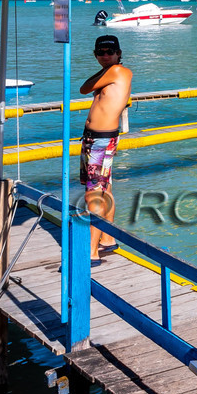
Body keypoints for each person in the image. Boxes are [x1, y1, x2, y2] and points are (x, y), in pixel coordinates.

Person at [78, 34, 132, 264]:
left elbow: (83, 88)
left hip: (100, 140)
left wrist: (105, 68)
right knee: (105, 188)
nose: (105, 56)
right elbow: (85, 88)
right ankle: (107, 239)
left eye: (110, 52)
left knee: (94, 194)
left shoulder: (118, 71)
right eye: (100, 52)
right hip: (95, 139)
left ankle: (92, 252)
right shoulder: (108, 73)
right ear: (95, 54)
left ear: (119, 53)